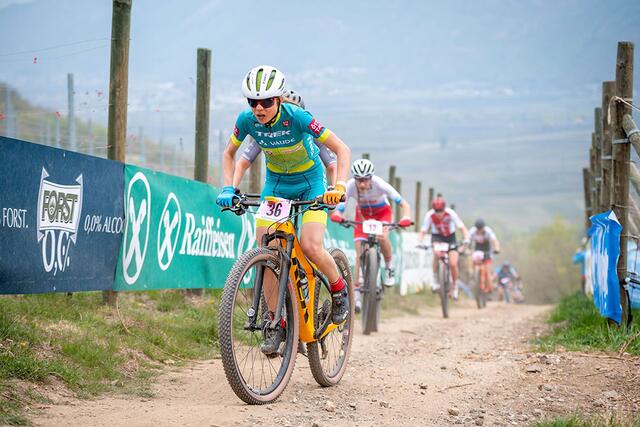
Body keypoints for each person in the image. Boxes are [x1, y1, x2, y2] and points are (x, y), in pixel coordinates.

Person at [216, 65, 351, 355]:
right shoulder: (247, 121)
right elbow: (230, 155)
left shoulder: (298, 117)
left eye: (266, 102)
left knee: (311, 245)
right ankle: (277, 322)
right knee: (265, 249)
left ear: (278, 100)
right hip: (276, 187)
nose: (259, 108)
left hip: (310, 184)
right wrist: (228, 188)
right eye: (253, 102)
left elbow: (342, 150)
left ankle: (339, 291)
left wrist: (338, 187)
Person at [330, 159, 412, 312]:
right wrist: (337, 215)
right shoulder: (350, 186)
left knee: (382, 237)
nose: (362, 184)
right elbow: (339, 208)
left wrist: (406, 217)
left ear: (371, 177)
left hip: (382, 214)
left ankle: (388, 267)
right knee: (359, 251)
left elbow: (404, 204)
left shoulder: (380, 184)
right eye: (359, 180)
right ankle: (357, 296)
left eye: (365, 179)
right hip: (363, 216)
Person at [232, 89, 338, 187]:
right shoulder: (266, 135)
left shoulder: (308, 132)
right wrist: (231, 188)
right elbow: (242, 163)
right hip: (279, 182)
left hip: (310, 181)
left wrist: (335, 190)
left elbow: (332, 166)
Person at [417, 197, 470, 300]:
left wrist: (466, 238)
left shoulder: (451, 213)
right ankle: (435, 280)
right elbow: (423, 231)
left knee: (453, 263)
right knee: (436, 254)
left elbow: (462, 228)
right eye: (436, 211)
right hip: (437, 237)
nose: (439, 213)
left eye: (441, 211)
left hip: (450, 237)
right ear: (433, 210)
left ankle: (454, 287)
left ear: (444, 209)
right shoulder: (429, 215)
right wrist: (419, 241)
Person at [469, 218, 501, 291]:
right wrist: (464, 248)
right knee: (472, 259)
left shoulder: (488, 231)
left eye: (481, 229)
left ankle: (490, 285)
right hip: (478, 249)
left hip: (487, 250)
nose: (479, 230)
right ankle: (474, 275)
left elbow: (495, 240)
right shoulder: (472, 231)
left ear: (483, 228)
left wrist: (497, 248)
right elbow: (467, 240)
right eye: (478, 229)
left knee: (487, 269)